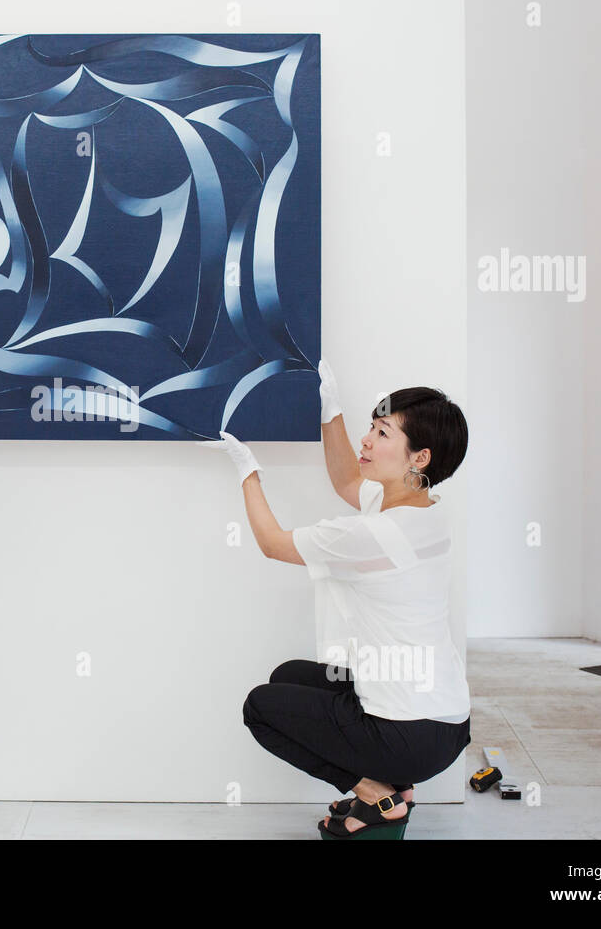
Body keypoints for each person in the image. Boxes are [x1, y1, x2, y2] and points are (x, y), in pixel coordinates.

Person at [200, 359, 471, 840]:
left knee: (260, 708)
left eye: (383, 433)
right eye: (372, 426)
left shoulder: (374, 535)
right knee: (289, 677)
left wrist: (249, 472)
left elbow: (271, 542)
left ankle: (375, 793)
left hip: (407, 733)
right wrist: (332, 409)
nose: (368, 439)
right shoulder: (423, 509)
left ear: (419, 459)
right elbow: (349, 480)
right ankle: (396, 788)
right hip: (447, 724)